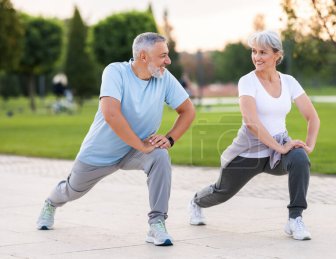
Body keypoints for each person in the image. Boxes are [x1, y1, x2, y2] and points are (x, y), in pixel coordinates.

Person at [36, 32, 196, 246]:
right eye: (163, 56)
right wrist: (141, 144)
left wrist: (169, 139)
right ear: (143, 56)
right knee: (71, 190)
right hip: (101, 152)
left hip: (136, 152)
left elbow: (187, 110)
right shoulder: (115, 72)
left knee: (160, 156)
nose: (168, 61)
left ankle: (157, 223)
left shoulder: (164, 77)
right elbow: (111, 114)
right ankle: (50, 203)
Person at [188, 30, 320, 240]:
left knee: (300, 158)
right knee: (222, 192)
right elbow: (251, 122)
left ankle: (295, 219)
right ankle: (196, 201)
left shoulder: (289, 82)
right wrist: (281, 147)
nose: (257, 57)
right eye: (254, 51)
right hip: (248, 153)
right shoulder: (247, 81)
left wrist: (309, 146)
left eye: (263, 52)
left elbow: (313, 117)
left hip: (276, 154)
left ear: (277, 55)